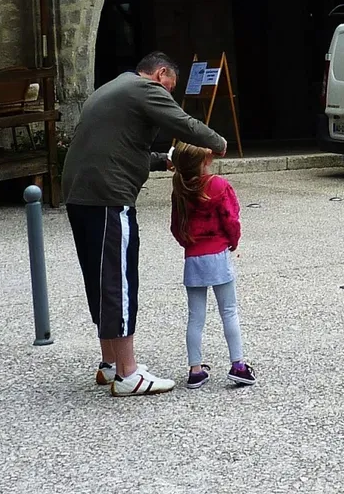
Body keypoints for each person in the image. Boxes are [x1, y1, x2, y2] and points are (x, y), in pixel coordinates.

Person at [63, 51, 226, 397]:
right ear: (160, 73)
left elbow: (122, 148)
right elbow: (184, 124)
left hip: (81, 195)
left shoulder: (113, 89)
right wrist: (218, 142)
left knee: (100, 279)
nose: (168, 94)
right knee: (119, 282)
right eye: (170, 87)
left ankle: (109, 365)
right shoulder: (144, 88)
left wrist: (161, 160)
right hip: (109, 196)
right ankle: (128, 374)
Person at [169, 143, 255, 389]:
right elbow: (231, 219)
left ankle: (195, 369)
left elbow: (176, 226)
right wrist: (233, 242)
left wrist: (189, 244)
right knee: (229, 311)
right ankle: (238, 365)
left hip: (193, 258)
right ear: (205, 160)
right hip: (218, 254)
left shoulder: (180, 189)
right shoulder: (218, 185)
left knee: (195, 316)